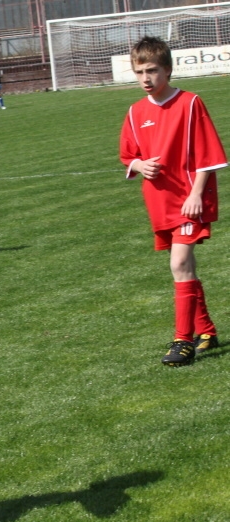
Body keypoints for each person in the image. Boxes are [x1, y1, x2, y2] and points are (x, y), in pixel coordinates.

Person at [120, 36, 227, 366]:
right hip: (159, 201)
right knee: (184, 268)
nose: (145, 79)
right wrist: (138, 164)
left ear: (168, 69)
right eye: (139, 72)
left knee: (179, 264)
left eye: (152, 71)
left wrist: (196, 193)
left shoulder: (191, 103)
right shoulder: (135, 112)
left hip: (188, 199)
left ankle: (183, 342)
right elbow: (128, 155)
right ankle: (206, 330)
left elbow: (209, 155)